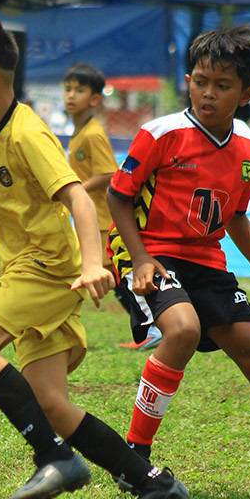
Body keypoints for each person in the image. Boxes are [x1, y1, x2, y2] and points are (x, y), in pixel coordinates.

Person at [0, 18, 190, 499]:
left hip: (48, 267)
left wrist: (94, 263)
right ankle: (156, 485)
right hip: (29, 268)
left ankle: (52, 459)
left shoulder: (28, 131)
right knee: (52, 404)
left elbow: (77, 193)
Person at [106, 24, 250, 499]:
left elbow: (237, 215)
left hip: (210, 264)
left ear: (247, 94)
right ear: (188, 79)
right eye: (200, 81)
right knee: (181, 331)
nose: (208, 93)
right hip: (156, 257)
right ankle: (133, 460)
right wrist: (139, 259)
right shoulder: (159, 134)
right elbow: (117, 198)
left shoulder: (248, 147)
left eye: (222, 86)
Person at [61, 62, 159, 350]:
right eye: (67, 89)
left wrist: (75, 190)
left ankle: (154, 325)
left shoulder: (92, 134)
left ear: (94, 99)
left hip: (102, 220)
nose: (70, 95)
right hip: (90, 219)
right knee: (112, 278)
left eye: (79, 90)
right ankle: (150, 327)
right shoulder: (80, 132)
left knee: (116, 276)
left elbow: (108, 173)